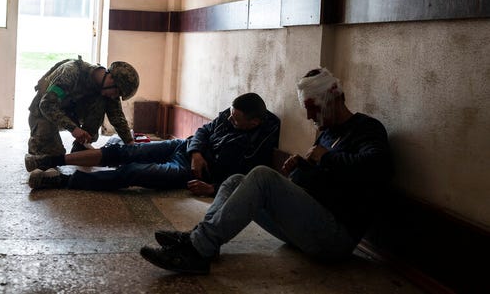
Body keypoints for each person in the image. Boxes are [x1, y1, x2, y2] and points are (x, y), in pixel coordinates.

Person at [139, 68, 393, 274]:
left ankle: (196, 250)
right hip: (307, 227)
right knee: (235, 180)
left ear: (332, 100)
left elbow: (374, 167)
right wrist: (302, 166)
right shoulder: (327, 133)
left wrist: (327, 157)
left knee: (261, 174)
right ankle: (202, 241)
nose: (308, 116)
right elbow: (324, 174)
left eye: (312, 107)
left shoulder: (367, 128)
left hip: (335, 238)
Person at [25, 92, 281, 194]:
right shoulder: (233, 113)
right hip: (184, 148)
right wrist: (195, 150)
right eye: (231, 115)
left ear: (255, 122)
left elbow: (244, 176)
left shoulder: (260, 140)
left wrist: (213, 189)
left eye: (237, 120)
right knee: (124, 151)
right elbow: (204, 130)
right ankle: (51, 161)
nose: (230, 120)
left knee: (133, 172)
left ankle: (61, 181)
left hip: (190, 172)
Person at [25, 57, 140, 184]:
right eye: (117, 91)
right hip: (43, 113)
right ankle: (41, 144)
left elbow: (117, 117)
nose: (114, 96)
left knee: (102, 101)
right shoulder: (71, 72)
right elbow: (46, 105)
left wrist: (130, 144)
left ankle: (81, 147)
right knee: (51, 158)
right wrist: (74, 129)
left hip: (71, 113)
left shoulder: (107, 88)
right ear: (111, 78)